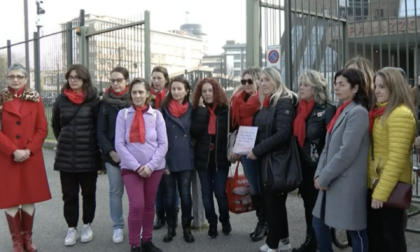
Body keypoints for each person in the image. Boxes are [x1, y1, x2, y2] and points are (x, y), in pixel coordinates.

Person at [312, 68, 370, 252]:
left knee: (355, 231)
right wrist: (319, 173)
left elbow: (347, 152)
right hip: (331, 178)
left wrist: (324, 177)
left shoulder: (358, 112)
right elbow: (327, 147)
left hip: (347, 181)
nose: (336, 88)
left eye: (342, 84)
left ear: (355, 88)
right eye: (336, 84)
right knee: (319, 223)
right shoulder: (341, 110)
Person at [0, 63, 51, 252]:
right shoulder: (0, 99)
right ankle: (16, 242)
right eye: (11, 76)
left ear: (26, 79)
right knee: (11, 197)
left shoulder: (35, 98)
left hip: (30, 156)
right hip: (7, 156)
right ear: (6, 79)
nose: (15, 80)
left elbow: (42, 128)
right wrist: (13, 150)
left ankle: (27, 240)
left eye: (19, 77)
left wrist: (28, 150)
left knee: (29, 196)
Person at [115, 78, 168, 252]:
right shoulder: (123, 115)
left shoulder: (157, 115)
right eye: (134, 92)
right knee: (137, 205)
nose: (137, 95)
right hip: (131, 169)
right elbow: (119, 144)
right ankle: (134, 244)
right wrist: (137, 167)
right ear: (130, 94)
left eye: (141, 92)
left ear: (147, 94)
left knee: (149, 205)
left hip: (154, 168)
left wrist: (151, 166)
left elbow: (163, 144)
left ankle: (147, 240)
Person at [51, 64, 102, 247]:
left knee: (89, 193)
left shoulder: (94, 101)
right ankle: (71, 227)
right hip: (66, 157)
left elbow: (99, 128)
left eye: (77, 77)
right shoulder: (61, 99)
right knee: (69, 195)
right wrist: (64, 140)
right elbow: (56, 125)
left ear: (84, 80)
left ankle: (87, 225)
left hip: (88, 156)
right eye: (71, 77)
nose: (73, 80)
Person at [367, 68, 416, 252]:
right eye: (376, 86)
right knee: (381, 235)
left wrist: (381, 192)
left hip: (389, 186)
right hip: (379, 182)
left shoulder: (400, 114)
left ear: (394, 88)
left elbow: (396, 158)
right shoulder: (382, 111)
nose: (376, 90)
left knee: (392, 237)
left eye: (382, 87)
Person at [250, 67, 297, 252]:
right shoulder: (267, 103)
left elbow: (283, 134)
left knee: (273, 204)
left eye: (267, 79)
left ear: (277, 81)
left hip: (277, 161)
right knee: (273, 203)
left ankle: (274, 245)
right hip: (266, 159)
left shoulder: (283, 102)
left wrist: (257, 150)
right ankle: (283, 242)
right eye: (261, 80)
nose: (263, 83)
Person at [292, 70, 336, 252]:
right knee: (308, 204)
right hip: (302, 165)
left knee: (318, 208)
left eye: (306, 85)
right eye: (300, 84)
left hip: (318, 167)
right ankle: (311, 240)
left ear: (316, 88)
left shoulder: (327, 110)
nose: (301, 88)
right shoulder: (299, 108)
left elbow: (331, 144)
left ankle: (319, 242)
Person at [229, 67, 267, 242]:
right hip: (246, 151)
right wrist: (236, 149)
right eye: (243, 81)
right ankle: (262, 221)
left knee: (267, 187)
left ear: (258, 81)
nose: (245, 85)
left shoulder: (265, 100)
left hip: (264, 150)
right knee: (254, 187)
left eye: (249, 81)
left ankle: (269, 223)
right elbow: (235, 128)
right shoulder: (237, 100)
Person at [191, 78, 232, 238]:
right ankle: (212, 223)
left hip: (220, 159)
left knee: (220, 193)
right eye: (204, 91)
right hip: (203, 160)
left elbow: (232, 131)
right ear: (200, 94)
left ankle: (225, 220)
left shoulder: (225, 110)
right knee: (206, 194)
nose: (208, 94)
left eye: (210, 90)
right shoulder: (196, 111)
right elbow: (195, 132)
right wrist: (201, 111)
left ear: (216, 91)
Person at [97, 67, 131, 243]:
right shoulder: (104, 103)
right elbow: (100, 132)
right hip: (113, 157)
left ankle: (136, 225)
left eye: (119, 80)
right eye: (112, 80)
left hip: (134, 156)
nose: (115, 84)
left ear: (127, 81)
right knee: (115, 191)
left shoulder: (135, 100)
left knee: (135, 194)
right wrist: (111, 151)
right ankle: (118, 226)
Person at [160, 76, 195, 243]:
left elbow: (197, 131)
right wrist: (162, 160)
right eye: (173, 89)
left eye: (179, 88)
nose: (176, 92)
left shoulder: (192, 108)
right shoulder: (162, 109)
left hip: (186, 157)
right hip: (168, 157)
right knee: (168, 195)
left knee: (185, 195)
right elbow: (158, 137)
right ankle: (171, 228)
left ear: (186, 90)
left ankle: (186, 228)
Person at [151, 66, 180, 230]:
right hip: (151, 144)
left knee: (170, 182)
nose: (156, 81)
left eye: (159, 78)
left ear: (166, 80)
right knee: (155, 182)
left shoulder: (172, 96)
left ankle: (173, 213)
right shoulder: (148, 96)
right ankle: (159, 214)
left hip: (169, 143)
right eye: (153, 78)